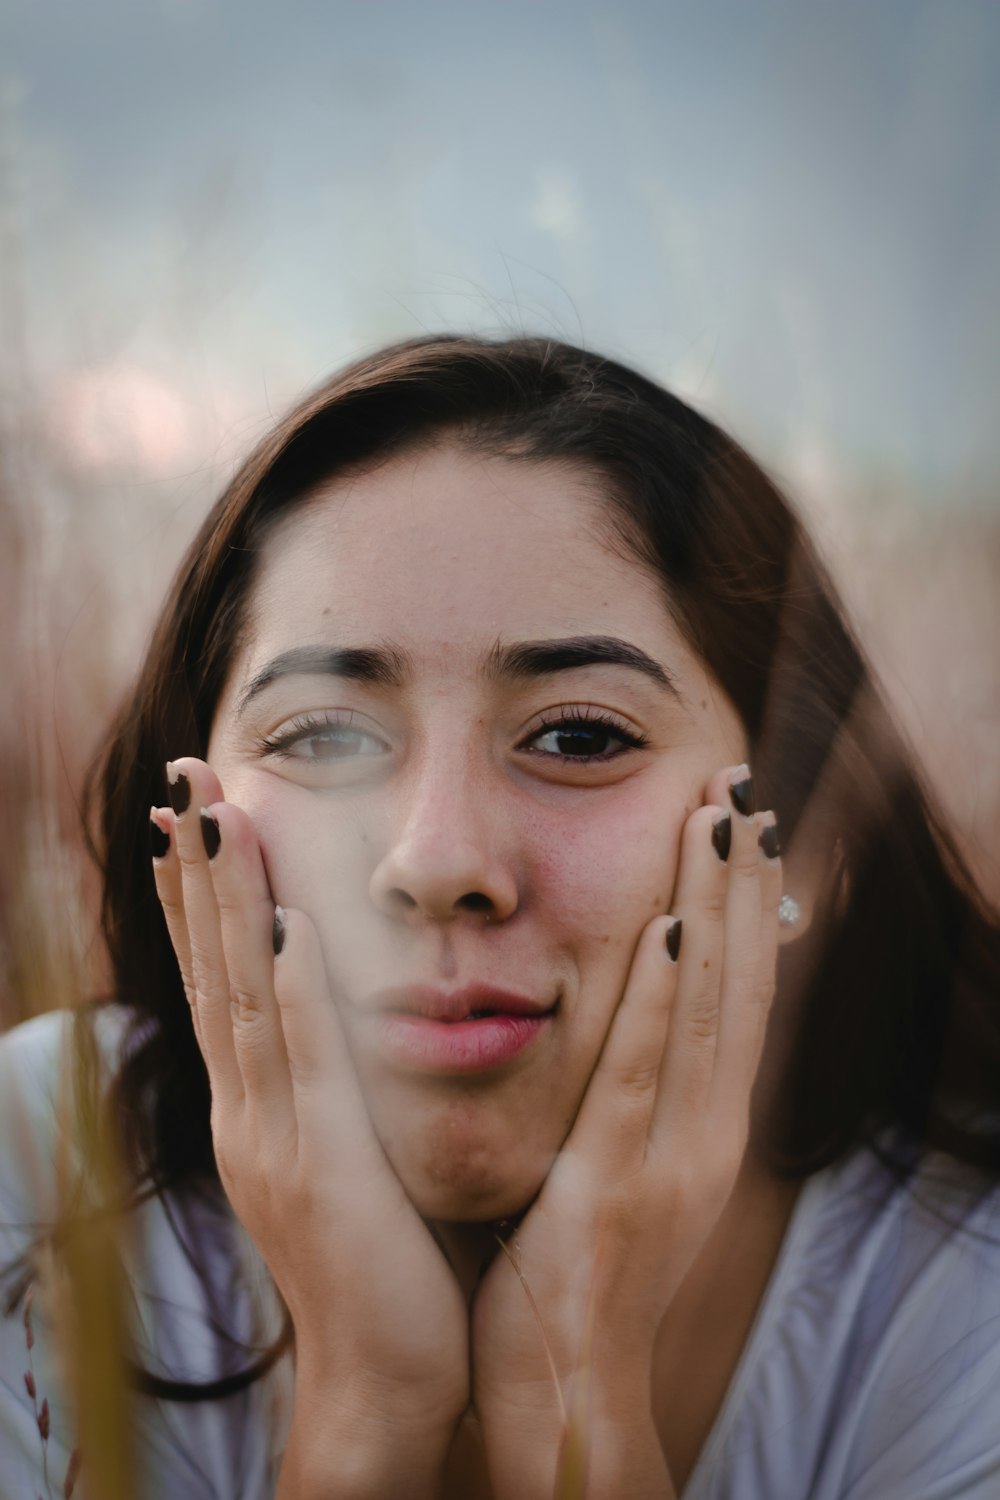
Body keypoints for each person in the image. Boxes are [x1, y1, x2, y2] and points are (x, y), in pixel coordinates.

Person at [1, 333, 999, 1500]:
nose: (439, 862)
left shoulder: (964, 1299)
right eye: (324, 736)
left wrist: (570, 1407)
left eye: (579, 736)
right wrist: (366, 1413)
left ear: (803, 838)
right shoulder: (35, 1179)